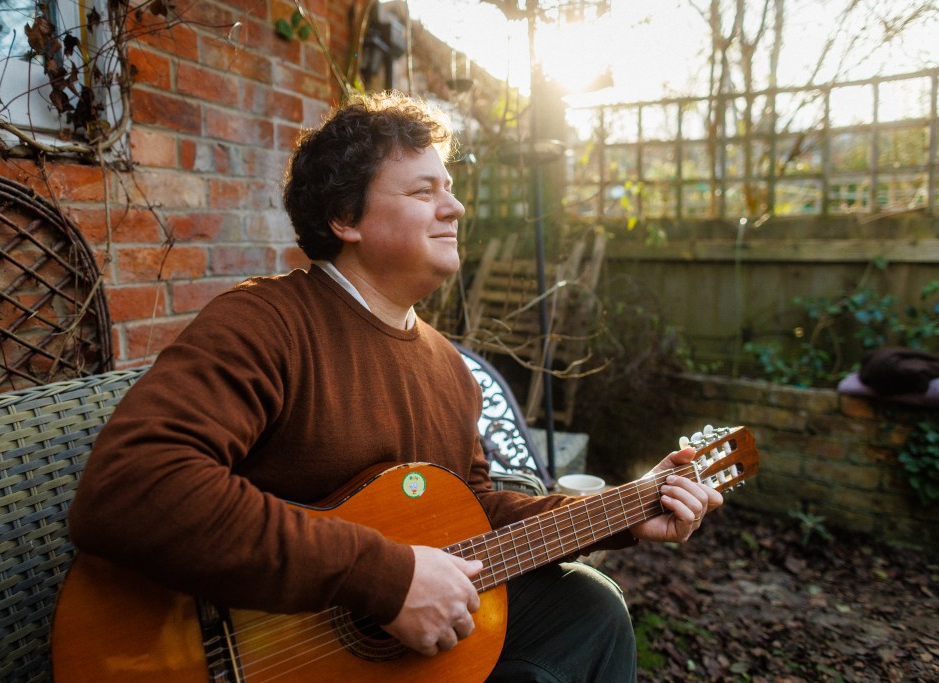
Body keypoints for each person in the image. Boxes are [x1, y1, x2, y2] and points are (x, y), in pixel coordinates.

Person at [68, 91, 722, 682]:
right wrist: (383, 576)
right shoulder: (265, 323)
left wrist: (628, 509)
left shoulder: (447, 367)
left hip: (377, 659)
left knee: (584, 607)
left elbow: (475, 511)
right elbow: (130, 486)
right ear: (346, 217)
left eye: (452, 187)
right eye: (423, 191)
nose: (456, 206)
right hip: (237, 654)